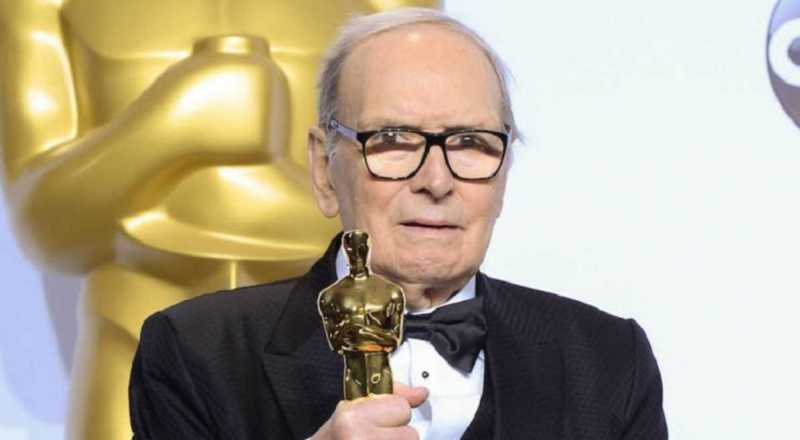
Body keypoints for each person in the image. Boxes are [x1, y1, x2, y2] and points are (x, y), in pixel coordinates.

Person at [129, 7, 668, 440]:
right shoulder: (195, 351)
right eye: (392, 140)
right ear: (324, 169)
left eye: (471, 143)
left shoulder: (609, 360)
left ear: (505, 173)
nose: (436, 180)